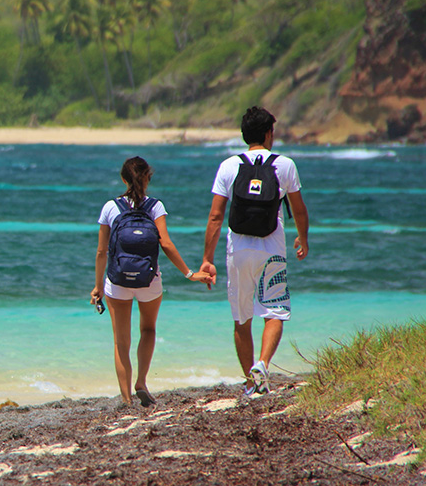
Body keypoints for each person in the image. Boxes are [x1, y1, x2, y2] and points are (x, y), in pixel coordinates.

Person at [200, 106, 309, 396]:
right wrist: (303, 238)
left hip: (238, 249)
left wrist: (207, 260)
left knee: (241, 318)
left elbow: (215, 216)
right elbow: (298, 209)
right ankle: (262, 364)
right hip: (272, 247)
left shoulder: (228, 166)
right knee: (274, 311)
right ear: (268, 133)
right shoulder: (284, 165)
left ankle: (251, 382)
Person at [91, 156, 211, 407]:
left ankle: (125, 399)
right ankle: (141, 383)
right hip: (149, 281)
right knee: (148, 330)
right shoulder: (156, 207)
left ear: (123, 179)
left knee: (120, 341)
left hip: (117, 281)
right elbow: (165, 243)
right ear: (148, 178)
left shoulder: (110, 208)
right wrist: (190, 274)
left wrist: (98, 286)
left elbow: (102, 251)